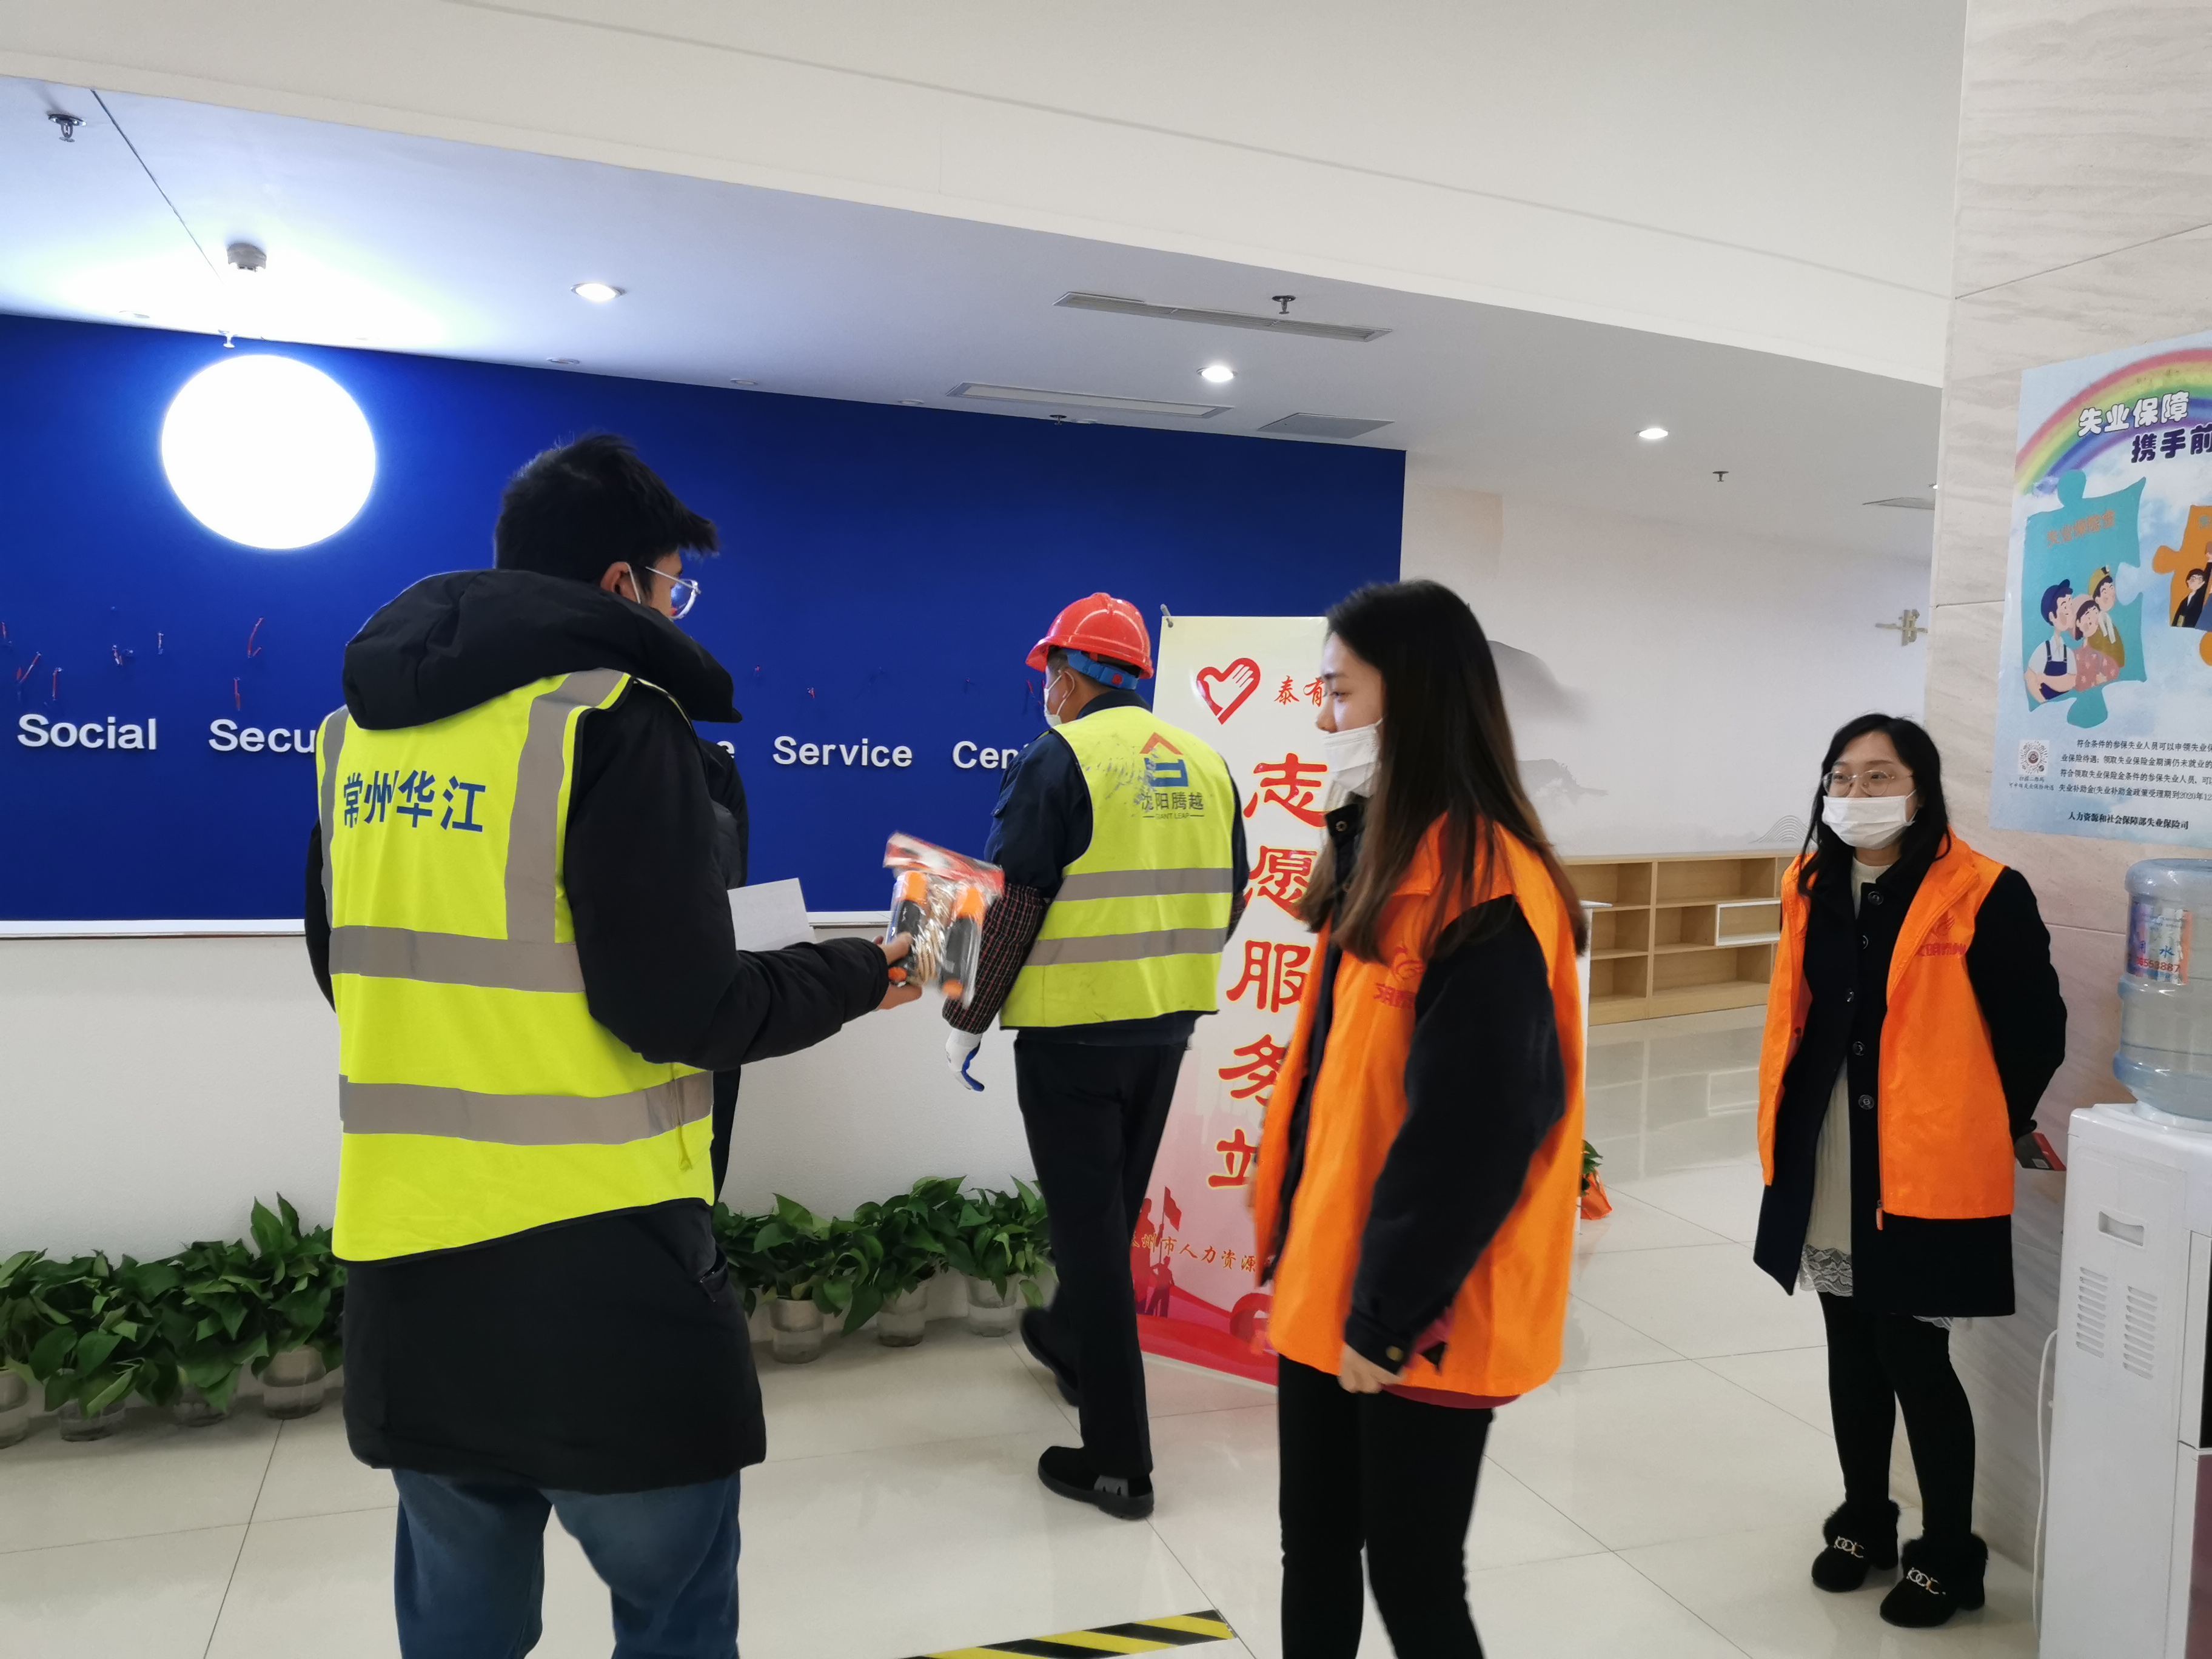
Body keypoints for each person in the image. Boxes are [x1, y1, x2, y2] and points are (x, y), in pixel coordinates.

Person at [305, 433, 919, 1657]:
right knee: (673, 1615)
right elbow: (683, 1009)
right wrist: (867, 970)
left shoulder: (352, 739)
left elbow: (347, 968)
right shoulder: (614, 719)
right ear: (620, 584)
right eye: (673, 588)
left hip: (407, 1271)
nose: (673, 611)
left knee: (461, 1632)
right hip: (603, 1275)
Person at [1252, 579, 1587, 1659]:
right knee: (1314, 1547)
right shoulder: (1381, 858)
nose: (1323, 719)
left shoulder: (1487, 889)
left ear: (1417, 698)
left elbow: (1476, 1131)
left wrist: (1388, 1315)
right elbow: (1332, 1087)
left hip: (1419, 1305)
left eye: (1340, 692)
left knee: (1412, 1579)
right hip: (1332, 1274)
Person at [1753, 713, 2065, 1629]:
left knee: (1913, 1353)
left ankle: (1949, 1553)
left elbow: (2035, 1029)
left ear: (1921, 789)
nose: (1857, 794)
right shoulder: (1811, 882)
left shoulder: (1984, 890)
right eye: (1841, 777)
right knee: (1849, 1342)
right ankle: (1865, 1520)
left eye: (1879, 776)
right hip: (1825, 1148)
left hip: (1923, 1159)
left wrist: (1990, 1119)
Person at [942, 592, 1247, 1519]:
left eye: (1049, 674)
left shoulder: (1060, 756)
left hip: (1073, 1038)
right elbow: (1232, 898)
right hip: (1167, 1028)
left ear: (1067, 677)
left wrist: (968, 1015)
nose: (1047, 690)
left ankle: (1118, 1464)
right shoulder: (1207, 762)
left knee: (1090, 1238)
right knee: (1107, 1218)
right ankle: (1073, 1342)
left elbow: (1016, 902)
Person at [2025, 579, 2078, 701]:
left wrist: (2045, 679)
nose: (2070, 612)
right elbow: (2030, 678)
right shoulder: (2043, 650)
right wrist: (2044, 704)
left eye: (2070, 606)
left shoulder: (2068, 653)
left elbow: (2070, 682)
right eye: (2065, 607)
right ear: (2052, 616)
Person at [2174, 565, 2207, 629]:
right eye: (2193, 579)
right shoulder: (2185, 601)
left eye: (2200, 579)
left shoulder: (2202, 597)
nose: (2196, 581)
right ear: (2188, 581)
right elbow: (2179, 617)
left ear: (2203, 583)